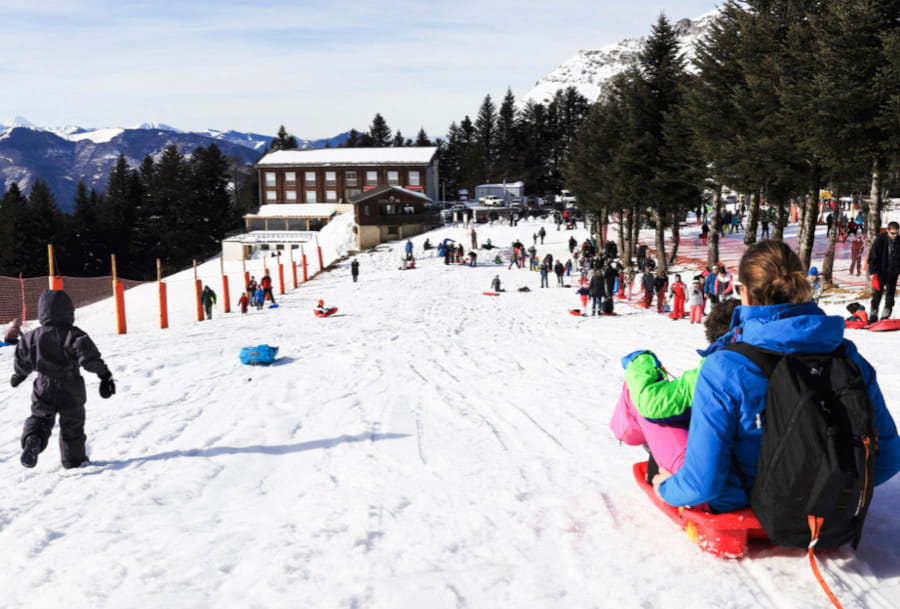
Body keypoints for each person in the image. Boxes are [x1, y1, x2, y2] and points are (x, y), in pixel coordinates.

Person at [650, 240, 900, 513]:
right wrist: (837, 490)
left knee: (655, 421)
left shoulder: (725, 366)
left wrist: (666, 488)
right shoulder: (848, 357)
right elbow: (888, 458)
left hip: (744, 504)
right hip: (828, 501)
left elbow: (704, 483)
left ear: (744, 295)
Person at [610, 299, 741, 476]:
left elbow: (653, 404)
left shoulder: (724, 368)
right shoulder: (780, 358)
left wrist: (640, 362)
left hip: (713, 481)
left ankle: (661, 464)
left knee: (640, 395)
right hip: (759, 467)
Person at [11, 290, 115, 469]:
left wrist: (19, 375)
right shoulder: (73, 334)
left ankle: (33, 438)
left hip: (43, 384)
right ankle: (73, 461)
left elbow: (23, 357)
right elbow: (89, 357)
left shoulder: (31, 337)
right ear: (69, 311)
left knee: (40, 416)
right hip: (70, 384)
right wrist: (104, 375)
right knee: (72, 423)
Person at [867, 221, 900, 322]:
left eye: (897, 233)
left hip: (893, 272)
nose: (895, 235)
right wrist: (873, 273)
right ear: (887, 231)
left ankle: (885, 315)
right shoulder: (880, 240)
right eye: (892, 233)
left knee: (890, 295)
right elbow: (872, 257)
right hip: (880, 271)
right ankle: (873, 315)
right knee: (877, 294)